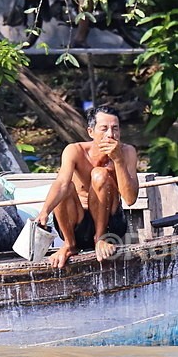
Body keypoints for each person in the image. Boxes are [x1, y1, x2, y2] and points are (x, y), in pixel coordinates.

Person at [36, 105, 139, 268]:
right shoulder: (75, 150)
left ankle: (100, 239)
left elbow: (131, 199)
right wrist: (44, 212)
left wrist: (118, 161)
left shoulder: (127, 152)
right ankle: (69, 245)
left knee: (100, 174)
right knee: (67, 187)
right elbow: (61, 183)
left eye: (115, 129)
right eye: (104, 129)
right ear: (91, 132)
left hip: (111, 226)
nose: (110, 135)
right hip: (78, 225)